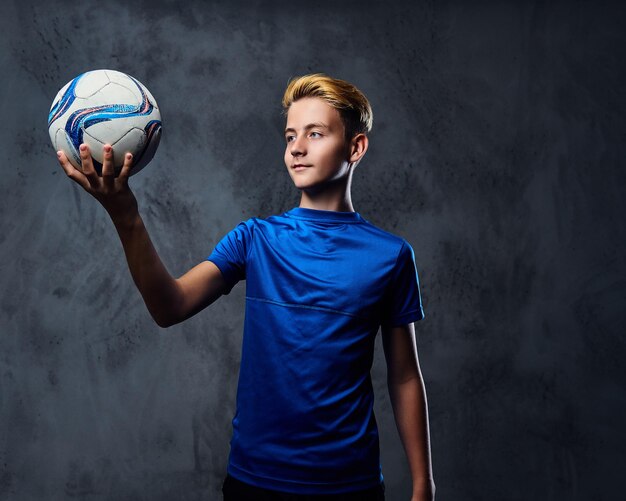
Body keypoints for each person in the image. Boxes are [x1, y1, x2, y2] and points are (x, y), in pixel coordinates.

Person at [56, 73, 435, 501]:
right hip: (255, 483)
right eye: (291, 134)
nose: (297, 146)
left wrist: (423, 484)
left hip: (350, 485)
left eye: (316, 133)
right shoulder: (255, 239)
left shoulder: (390, 255)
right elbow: (169, 307)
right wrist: (125, 214)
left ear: (355, 147)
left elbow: (404, 376)